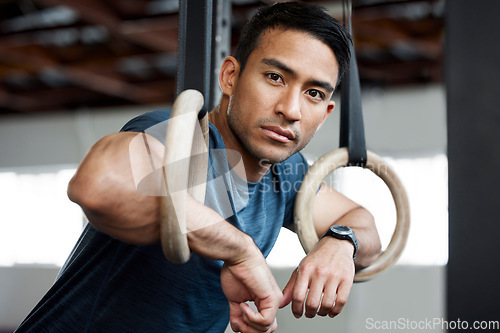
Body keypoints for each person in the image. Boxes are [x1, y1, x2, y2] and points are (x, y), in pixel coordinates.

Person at [16, 2, 381, 333]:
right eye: (275, 77)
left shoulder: (285, 175)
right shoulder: (181, 137)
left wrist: (339, 242)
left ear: (326, 113)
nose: (292, 109)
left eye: (314, 93)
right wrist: (240, 250)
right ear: (230, 77)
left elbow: (362, 223)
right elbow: (99, 187)